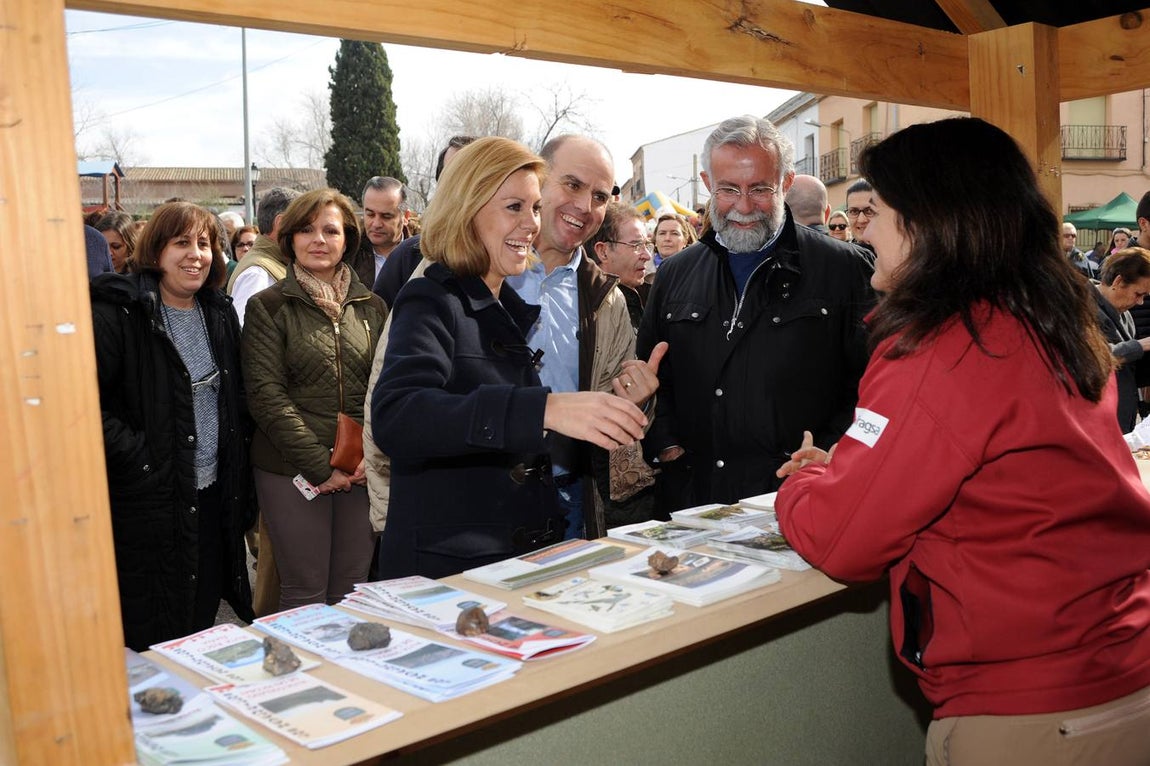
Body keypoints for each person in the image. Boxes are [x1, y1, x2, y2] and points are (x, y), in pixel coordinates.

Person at [774, 117, 1150, 766]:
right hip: (1118, 670)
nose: (863, 228)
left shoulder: (943, 346)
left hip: (1031, 710)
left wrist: (804, 482)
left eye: (879, 212)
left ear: (927, 224)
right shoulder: (1046, 320)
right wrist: (852, 465)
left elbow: (843, 539)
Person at [371, 137, 655, 579]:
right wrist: (546, 408)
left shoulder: (510, 305)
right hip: (452, 570)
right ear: (468, 208)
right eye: (514, 208)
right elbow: (397, 415)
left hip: (521, 545)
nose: (530, 224)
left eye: (535, 208)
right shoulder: (431, 295)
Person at [636, 115, 874, 513]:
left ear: (785, 182)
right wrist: (667, 445)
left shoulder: (845, 270)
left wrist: (833, 453)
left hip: (799, 500)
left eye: (760, 188)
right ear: (708, 183)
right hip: (693, 504)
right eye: (728, 189)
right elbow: (651, 375)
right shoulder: (675, 273)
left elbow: (872, 387)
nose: (744, 206)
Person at [90, 201, 254, 650]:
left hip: (212, 498)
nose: (195, 254)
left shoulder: (218, 313)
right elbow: (87, 406)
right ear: (155, 250)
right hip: (151, 505)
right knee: (154, 637)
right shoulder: (119, 313)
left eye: (204, 243)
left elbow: (235, 404)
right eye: (181, 242)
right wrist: (142, 459)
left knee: (201, 632)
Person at [506, 134, 658, 540]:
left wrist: (634, 400)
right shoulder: (473, 268)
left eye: (599, 196)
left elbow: (612, 407)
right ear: (537, 179)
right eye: (572, 185)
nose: (585, 207)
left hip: (570, 496)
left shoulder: (607, 299)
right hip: (480, 496)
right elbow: (398, 401)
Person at [242, 188, 387, 611]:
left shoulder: (373, 307)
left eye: (330, 230)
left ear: (348, 240)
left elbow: (384, 388)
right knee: (304, 591)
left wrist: (368, 458)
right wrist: (320, 465)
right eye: (306, 229)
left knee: (351, 590)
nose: (318, 239)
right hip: (290, 470)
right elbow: (266, 396)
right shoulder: (267, 307)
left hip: (361, 469)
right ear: (289, 239)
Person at [373, 135, 476, 307]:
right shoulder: (408, 257)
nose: (460, 185)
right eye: (451, 175)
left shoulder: (509, 260)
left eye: (468, 174)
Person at [1094, 248, 1150, 431]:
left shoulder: (1125, 314)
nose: (1140, 302)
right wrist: (1140, 345)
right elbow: (1092, 357)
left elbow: (1129, 368)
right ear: (1118, 281)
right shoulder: (1082, 307)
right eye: (1138, 294)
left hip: (1122, 419)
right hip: (1097, 421)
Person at [228, 186, 300, 326]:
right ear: (281, 223)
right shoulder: (257, 274)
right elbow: (245, 334)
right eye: (303, 225)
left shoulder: (271, 263)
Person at [350, 176, 409, 288]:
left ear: (405, 217)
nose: (376, 224)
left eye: (386, 216)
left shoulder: (423, 257)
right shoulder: (348, 253)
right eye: (370, 214)